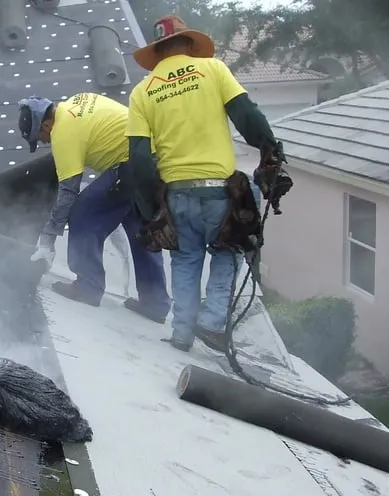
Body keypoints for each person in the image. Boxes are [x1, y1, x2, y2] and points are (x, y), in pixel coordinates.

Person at [123, 15, 289, 351]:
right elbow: (247, 115)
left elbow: (139, 157)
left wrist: (152, 209)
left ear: (158, 52)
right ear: (189, 43)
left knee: (185, 260)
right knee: (229, 247)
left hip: (177, 195)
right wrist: (270, 151)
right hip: (219, 192)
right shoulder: (212, 69)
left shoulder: (142, 91)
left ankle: (182, 333)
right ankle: (213, 323)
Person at [18, 93, 171, 322]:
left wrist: (48, 239)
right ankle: (155, 303)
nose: (43, 143)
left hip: (131, 164)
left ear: (46, 125)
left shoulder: (63, 133)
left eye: (39, 138)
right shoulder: (77, 102)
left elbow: (68, 192)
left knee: (83, 213)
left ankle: (88, 286)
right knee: (139, 225)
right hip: (154, 159)